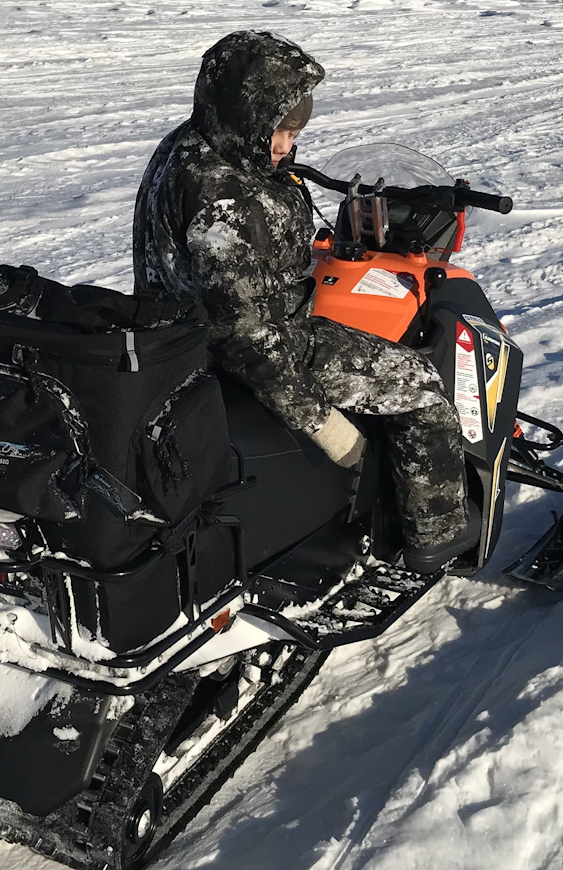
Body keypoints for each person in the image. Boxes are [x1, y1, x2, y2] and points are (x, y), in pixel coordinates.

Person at [133, 29, 475, 571]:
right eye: (278, 129)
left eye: (292, 131)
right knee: (420, 383)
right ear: (246, 112)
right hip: (253, 353)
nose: (286, 145)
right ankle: (437, 537)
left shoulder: (187, 147)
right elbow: (248, 341)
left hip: (171, 339)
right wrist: (327, 428)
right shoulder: (227, 199)